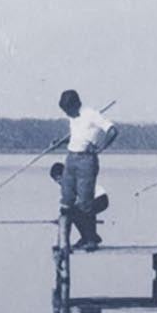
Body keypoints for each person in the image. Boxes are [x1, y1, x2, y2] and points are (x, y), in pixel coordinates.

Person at [58, 90, 117, 249]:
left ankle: (91, 239)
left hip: (86, 160)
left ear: (76, 104)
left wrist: (100, 148)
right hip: (71, 158)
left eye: (68, 109)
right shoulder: (72, 117)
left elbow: (113, 131)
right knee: (67, 201)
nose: (68, 113)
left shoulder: (91, 114)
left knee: (85, 201)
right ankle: (65, 242)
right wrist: (61, 142)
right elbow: (78, 137)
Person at [50, 161, 109, 249]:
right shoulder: (69, 182)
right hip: (93, 200)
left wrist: (66, 211)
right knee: (77, 213)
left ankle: (90, 238)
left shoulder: (71, 181)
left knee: (77, 213)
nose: (58, 182)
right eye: (55, 180)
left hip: (99, 199)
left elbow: (74, 199)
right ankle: (89, 237)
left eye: (59, 178)